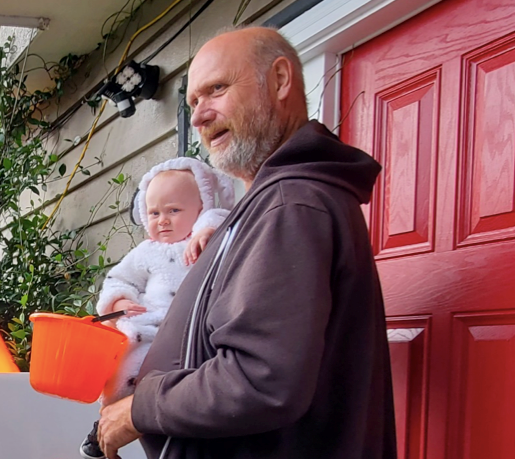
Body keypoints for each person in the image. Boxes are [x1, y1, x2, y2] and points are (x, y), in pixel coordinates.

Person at [96, 26, 397, 459]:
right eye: (194, 102)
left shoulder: (290, 204)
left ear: (279, 80)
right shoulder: (271, 200)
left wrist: (139, 409)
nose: (198, 116)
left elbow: (261, 378)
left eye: (216, 90)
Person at [80, 157, 235, 459]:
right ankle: (103, 427)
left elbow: (222, 220)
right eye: (154, 213)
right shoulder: (146, 252)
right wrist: (120, 301)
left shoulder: (207, 239)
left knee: (175, 387)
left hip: (190, 333)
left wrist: (205, 232)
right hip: (149, 327)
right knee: (124, 372)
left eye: (174, 211)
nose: (162, 220)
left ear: (199, 209)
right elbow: (118, 278)